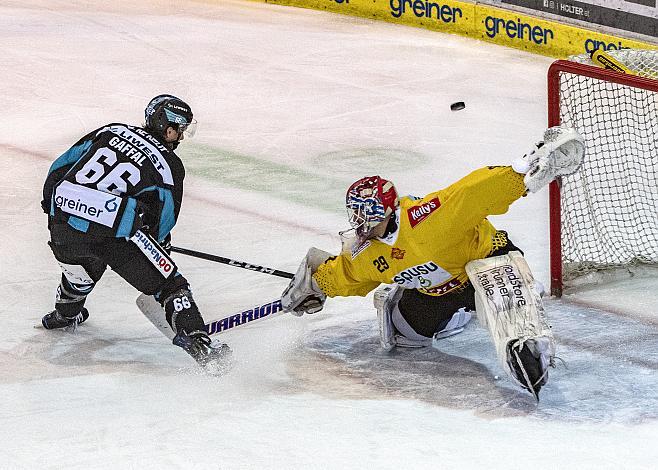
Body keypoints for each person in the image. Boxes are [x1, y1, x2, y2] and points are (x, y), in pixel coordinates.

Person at [281, 126, 585, 397]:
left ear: (386, 211)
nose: (360, 224)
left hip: (484, 263)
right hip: (437, 289)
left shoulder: (426, 220)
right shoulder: (372, 253)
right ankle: (457, 313)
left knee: (520, 348)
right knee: (403, 336)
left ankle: (509, 314)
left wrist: (526, 171)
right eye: (356, 215)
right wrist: (318, 282)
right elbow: (348, 272)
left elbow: (474, 193)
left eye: (366, 215)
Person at [40, 95, 230, 371]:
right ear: (167, 127)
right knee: (171, 286)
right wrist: (159, 248)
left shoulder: (112, 130)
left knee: (82, 267)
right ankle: (202, 346)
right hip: (116, 237)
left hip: (63, 226)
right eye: (178, 129)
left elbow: (60, 166)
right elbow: (165, 218)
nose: (179, 137)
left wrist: (51, 206)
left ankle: (64, 314)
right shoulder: (169, 164)